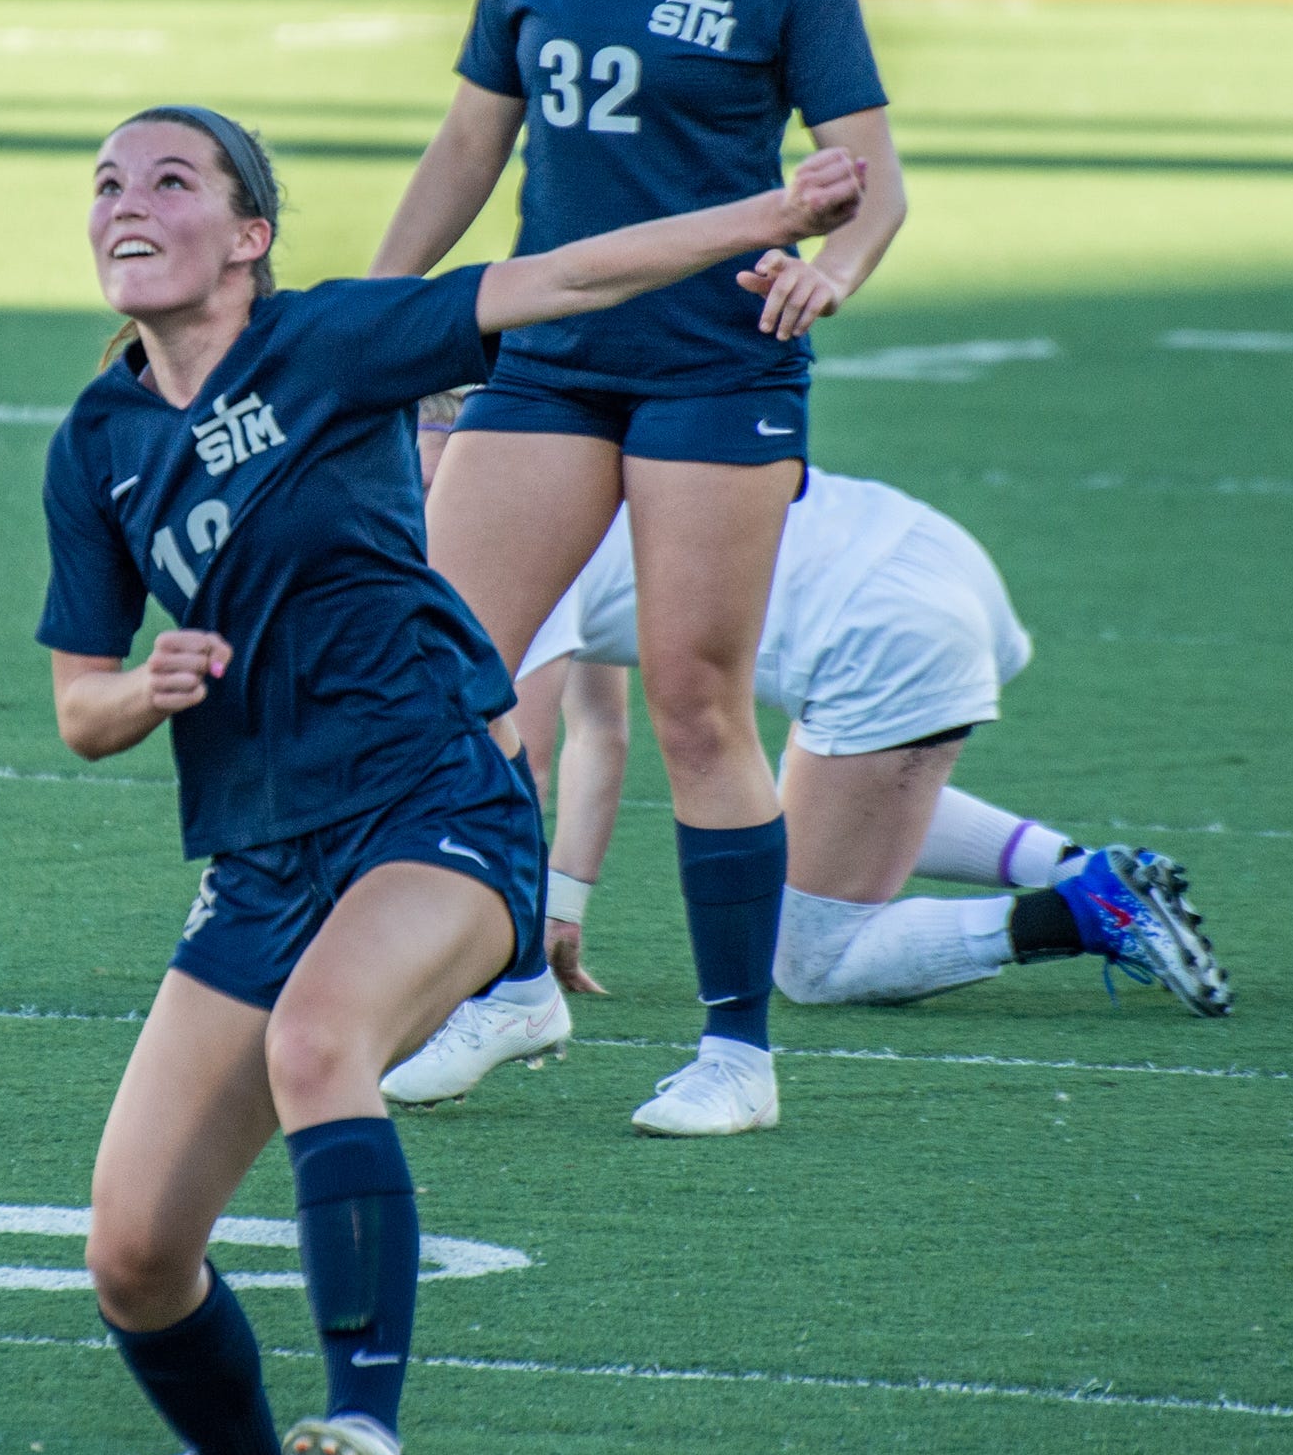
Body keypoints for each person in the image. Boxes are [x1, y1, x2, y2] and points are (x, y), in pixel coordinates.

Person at [35, 107, 861, 1455]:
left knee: (317, 1043)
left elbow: (557, 278)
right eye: (107, 182)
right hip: (262, 856)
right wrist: (140, 687)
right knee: (135, 1249)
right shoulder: (97, 443)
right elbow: (75, 708)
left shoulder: (327, 344)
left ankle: (366, 1423)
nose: (127, 202)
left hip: (438, 799)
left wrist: (760, 218)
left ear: (249, 237)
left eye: (171, 179)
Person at [367, 0, 909, 1140]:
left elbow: (872, 178)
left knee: (692, 699)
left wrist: (835, 271)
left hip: (716, 366)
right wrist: (377, 313)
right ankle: (506, 982)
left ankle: (739, 1051)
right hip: (545, 358)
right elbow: (472, 145)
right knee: (448, 678)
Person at [381, 460, 1228, 1107]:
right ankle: (1079, 867)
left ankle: (1085, 910)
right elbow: (597, 730)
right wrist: (559, 904)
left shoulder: (486, 518)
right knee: (808, 794)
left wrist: (496, 952)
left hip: (880, 629)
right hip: (923, 550)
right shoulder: (557, 457)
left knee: (815, 962)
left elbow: (514, 756)